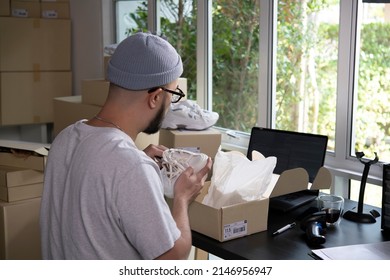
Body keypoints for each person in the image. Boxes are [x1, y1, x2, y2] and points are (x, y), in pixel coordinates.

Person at [40, 32, 212, 260]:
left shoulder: (66, 137)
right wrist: (182, 197)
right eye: (174, 95)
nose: (171, 104)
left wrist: (135, 164)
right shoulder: (129, 166)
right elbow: (172, 258)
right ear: (155, 97)